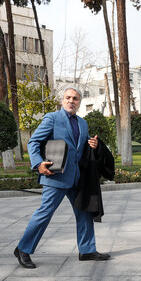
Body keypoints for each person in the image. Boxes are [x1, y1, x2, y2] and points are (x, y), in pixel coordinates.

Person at [14, 87, 111, 268]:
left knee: (84, 212)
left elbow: (80, 147)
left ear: (79, 102)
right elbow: (33, 142)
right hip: (55, 176)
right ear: (62, 100)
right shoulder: (52, 118)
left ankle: (87, 250)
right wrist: (38, 164)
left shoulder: (83, 123)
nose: (71, 101)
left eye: (75, 98)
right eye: (68, 97)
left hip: (77, 178)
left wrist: (94, 144)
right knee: (45, 213)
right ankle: (23, 249)